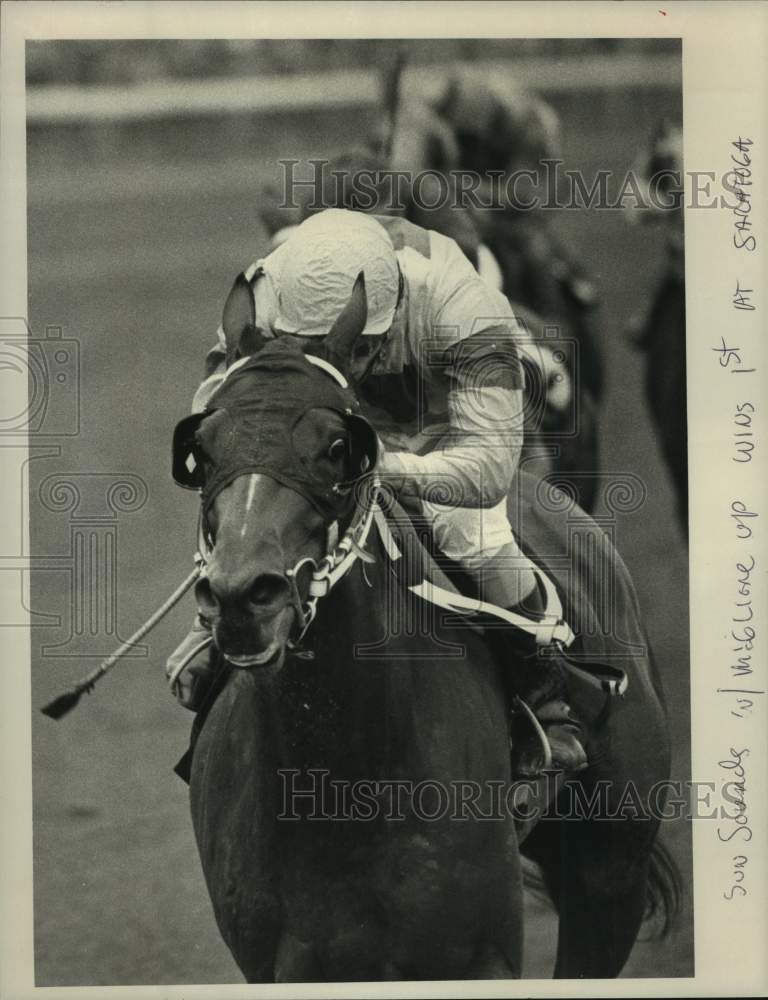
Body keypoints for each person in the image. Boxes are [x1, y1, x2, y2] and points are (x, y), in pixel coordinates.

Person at [167, 208, 587, 777]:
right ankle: (214, 625)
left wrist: (384, 469)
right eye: (305, 343)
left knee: (471, 533)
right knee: (250, 496)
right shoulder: (266, 292)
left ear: (388, 324)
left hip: (438, 422)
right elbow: (216, 408)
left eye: (351, 349)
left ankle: (545, 697)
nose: (337, 363)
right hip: (312, 428)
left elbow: (489, 467)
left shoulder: (467, 311)